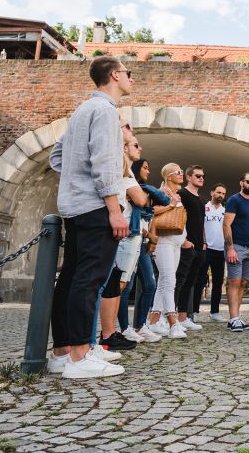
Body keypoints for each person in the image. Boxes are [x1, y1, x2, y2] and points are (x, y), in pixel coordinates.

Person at [47, 56, 132, 379]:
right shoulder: (106, 112)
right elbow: (105, 162)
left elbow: (58, 156)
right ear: (114, 75)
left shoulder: (82, 110)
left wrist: (74, 178)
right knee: (89, 280)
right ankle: (81, 356)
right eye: (127, 73)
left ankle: (63, 351)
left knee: (70, 278)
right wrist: (114, 209)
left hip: (75, 206)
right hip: (97, 207)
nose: (130, 78)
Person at [96, 135, 149, 352]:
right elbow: (141, 199)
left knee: (119, 282)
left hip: (126, 231)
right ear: (124, 148)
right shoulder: (123, 175)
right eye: (136, 145)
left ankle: (111, 332)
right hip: (123, 231)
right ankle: (106, 334)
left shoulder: (126, 174)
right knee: (114, 282)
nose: (140, 148)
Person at [118, 157, 169, 343]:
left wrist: (150, 236)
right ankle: (124, 328)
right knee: (126, 286)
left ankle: (140, 326)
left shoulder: (143, 190)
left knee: (149, 284)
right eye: (145, 168)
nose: (148, 171)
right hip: (130, 238)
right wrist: (149, 234)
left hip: (141, 241)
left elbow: (152, 213)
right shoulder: (131, 188)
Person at [145, 163, 187, 339]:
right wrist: (171, 204)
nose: (182, 174)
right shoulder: (161, 192)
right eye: (178, 172)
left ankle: (153, 321)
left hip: (175, 242)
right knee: (169, 281)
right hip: (164, 242)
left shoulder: (176, 194)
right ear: (168, 176)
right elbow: (152, 211)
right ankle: (173, 322)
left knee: (164, 281)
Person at [223, 171, 249, 332]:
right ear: (241, 183)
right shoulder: (233, 200)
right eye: (248, 181)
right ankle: (233, 319)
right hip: (236, 247)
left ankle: (236, 317)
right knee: (234, 281)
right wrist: (230, 248)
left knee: (244, 283)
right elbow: (226, 225)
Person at [173, 165, 207, 332]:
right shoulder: (182, 194)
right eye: (198, 176)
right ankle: (170, 318)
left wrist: (204, 242)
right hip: (185, 245)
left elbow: (202, 223)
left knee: (191, 282)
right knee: (179, 280)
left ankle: (183, 317)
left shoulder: (201, 199)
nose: (201, 178)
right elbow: (177, 217)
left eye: (202, 176)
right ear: (188, 177)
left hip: (200, 246)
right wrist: (184, 240)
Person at [196, 183, 227, 322]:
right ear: (212, 192)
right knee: (200, 280)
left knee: (218, 281)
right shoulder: (204, 208)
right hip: (206, 249)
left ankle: (214, 312)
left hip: (220, 250)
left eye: (223, 194)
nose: (220, 195)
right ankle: (194, 311)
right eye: (218, 192)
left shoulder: (225, 211)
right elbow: (199, 227)